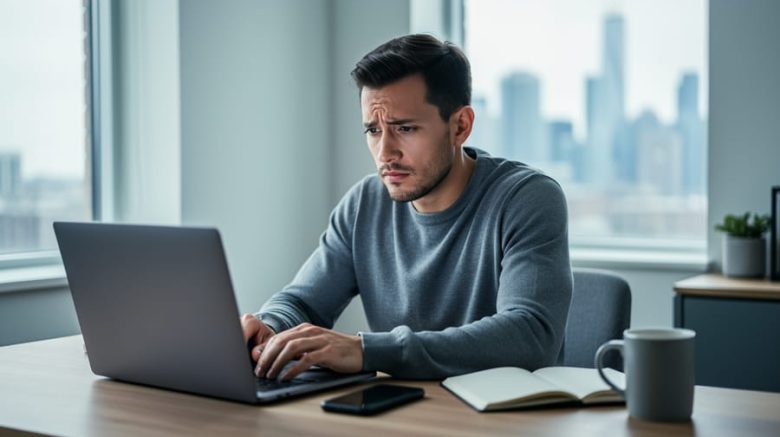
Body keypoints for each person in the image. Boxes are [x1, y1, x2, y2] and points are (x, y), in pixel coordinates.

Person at [241, 34, 572, 381]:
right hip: (405, 413)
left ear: (460, 126)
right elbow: (302, 303)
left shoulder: (527, 198)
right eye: (373, 129)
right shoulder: (362, 205)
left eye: (405, 128)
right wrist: (268, 327)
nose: (385, 153)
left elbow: (531, 335)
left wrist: (367, 351)